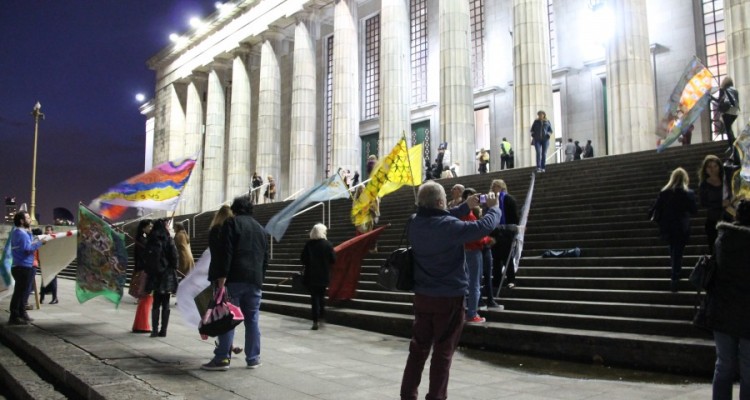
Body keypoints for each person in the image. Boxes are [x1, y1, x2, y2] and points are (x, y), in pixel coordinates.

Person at [400, 181, 501, 400]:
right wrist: (494, 208)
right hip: (449, 298)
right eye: (444, 200)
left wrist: (464, 206)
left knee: (418, 350)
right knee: (443, 352)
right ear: (439, 202)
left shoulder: (414, 222)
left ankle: (407, 395)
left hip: (423, 296)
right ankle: (436, 396)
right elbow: (482, 227)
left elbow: (438, 215)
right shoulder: (448, 227)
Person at [202, 195, 269, 371]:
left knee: (228, 317)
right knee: (252, 320)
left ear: (235, 209)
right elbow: (265, 258)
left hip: (234, 279)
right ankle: (253, 358)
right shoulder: (261, 229)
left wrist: (222, 277)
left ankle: (222, 358)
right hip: (255, 281)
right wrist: (260, 278)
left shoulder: (231, 224)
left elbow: (227, 252)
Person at [708, 199, 750, 400]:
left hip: (723, 308)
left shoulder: (723, 238)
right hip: (747, 311)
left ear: (737, 216)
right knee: (748, 367)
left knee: (723, 364)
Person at [651, 167, 697, 292]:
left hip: (668, 226)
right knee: (678, 251)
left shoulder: (664, 192)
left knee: (673, 249)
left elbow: (656, 208)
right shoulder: (689, 193)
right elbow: (694, 210)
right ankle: (675, 276)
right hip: (681, 226)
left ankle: (675, 272)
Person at [459, 188, 492, 324]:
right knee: (474, 283)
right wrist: (487, 240)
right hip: (473, 250)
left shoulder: (461, 214)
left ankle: (464, 311)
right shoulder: (469, 215)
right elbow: (476, 236)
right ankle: (472, 313)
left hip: (464, 250)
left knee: (467, 282)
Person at [8, 211, 45, 325]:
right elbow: (28, 249)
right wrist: (40, 243)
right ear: (21, 221)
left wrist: (30, 233)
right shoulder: (21, 233)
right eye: (28, 218)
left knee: (24, 291)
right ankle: (14, 316)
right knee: (20, 292)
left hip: (22, 266)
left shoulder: (19, 232)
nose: (30, 220)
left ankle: (21, 313)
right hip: (23, 267)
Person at [144, 219, 179, 337]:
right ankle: (163, 330)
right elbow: (174, 257)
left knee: (156, 303)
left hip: (154, 275)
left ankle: (154, 330)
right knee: (166, 302)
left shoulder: (151, 240)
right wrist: (173, 266)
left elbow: (146, 258)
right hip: (167, 274)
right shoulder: (169, 239)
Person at [300, 223, 336, 330]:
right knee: (321, 297)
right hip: (323, 275)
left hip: (311, 276)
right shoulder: (328, 244)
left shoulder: (308, 245)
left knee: (314, 298)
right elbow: (333, 260)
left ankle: (315, 321)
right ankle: (322, 317)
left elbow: (303, 259)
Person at [489, 179, 520, 291]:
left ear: (501, 187)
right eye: (492, 186)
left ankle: (511, 280)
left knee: (507, 257)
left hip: (507, 232)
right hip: (495, 232)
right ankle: (496, 280)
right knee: (496, 258)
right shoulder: (492, 201)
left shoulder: (508, 199)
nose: (493, 188)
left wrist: (513, 231)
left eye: (495, 186)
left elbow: (515, 217)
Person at [698, 155, 731, 255]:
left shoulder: (726, 180)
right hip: (713, 220)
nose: (712, 169)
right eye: (709, 167)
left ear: (719, 167)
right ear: (705, 169)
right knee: (715, 251)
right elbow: (703, 203)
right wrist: (719, 204)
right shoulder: (704, 184)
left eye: (715, 166)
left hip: (729, 218)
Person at [131, 219, 154, 333]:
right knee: (146, 298)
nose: (151, 228)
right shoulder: (142, 241)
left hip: (143, 270)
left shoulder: (142, 239)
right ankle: (142, 325)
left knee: (145, 299)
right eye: (149, 226)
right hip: (145, 272)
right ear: (144, 228)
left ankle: (140, 324)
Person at [712, 76, 740, 164]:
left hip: (727, 112)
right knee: (729, 130)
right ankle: (733, 147)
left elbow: (719, 101)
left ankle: (733, 148)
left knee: (728, 131)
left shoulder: (724, 90)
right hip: (734, 112)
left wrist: (711, 97)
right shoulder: (734, 90)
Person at [39, 225, 58, 304]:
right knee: (44, 280)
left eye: (49, 230)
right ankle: (42, 298)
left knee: (53, 281)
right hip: (45, 262)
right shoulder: (43, 239)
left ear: (52, 231)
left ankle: (54, 298)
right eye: (46, 230)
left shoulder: (55, 239)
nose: (47, 231)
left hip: (53, 263)